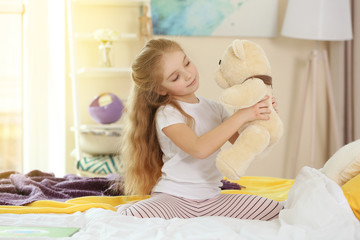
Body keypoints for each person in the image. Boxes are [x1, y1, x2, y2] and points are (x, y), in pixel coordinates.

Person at [118, 38, 283, 220]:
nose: (188, 75)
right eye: (175, 77)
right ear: (160, 89)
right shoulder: (167, 114)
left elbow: (241, 143)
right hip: (175, 199)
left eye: (187, 63)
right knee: (130, 217)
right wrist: (242, 115)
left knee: (277, 210)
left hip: (212, 200)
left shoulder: (215, 108)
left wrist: (263, 116)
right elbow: (199, 148)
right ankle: (143, 206)